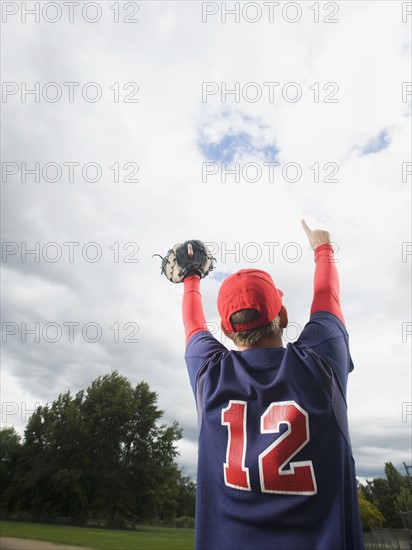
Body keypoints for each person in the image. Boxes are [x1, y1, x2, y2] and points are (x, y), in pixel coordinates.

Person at [181, 219, 365, 550]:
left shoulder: (210, 376)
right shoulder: (321, 364)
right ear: (281, 315)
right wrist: (322, 248)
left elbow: (193, 324)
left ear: (226, 330)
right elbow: (327, 296)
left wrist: (191, 280)